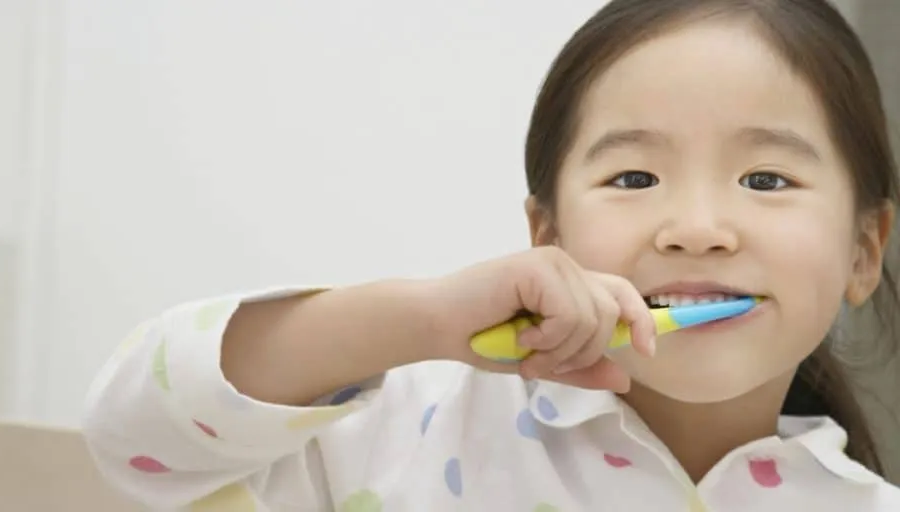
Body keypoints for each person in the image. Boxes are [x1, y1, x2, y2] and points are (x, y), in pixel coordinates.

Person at [81, 0, 900, 509]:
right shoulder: (408, 435)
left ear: (864, 251)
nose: (695, 226)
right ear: (548, 238)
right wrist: (423, 320)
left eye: (765, 178)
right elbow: (133, 435)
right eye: (634, 175)